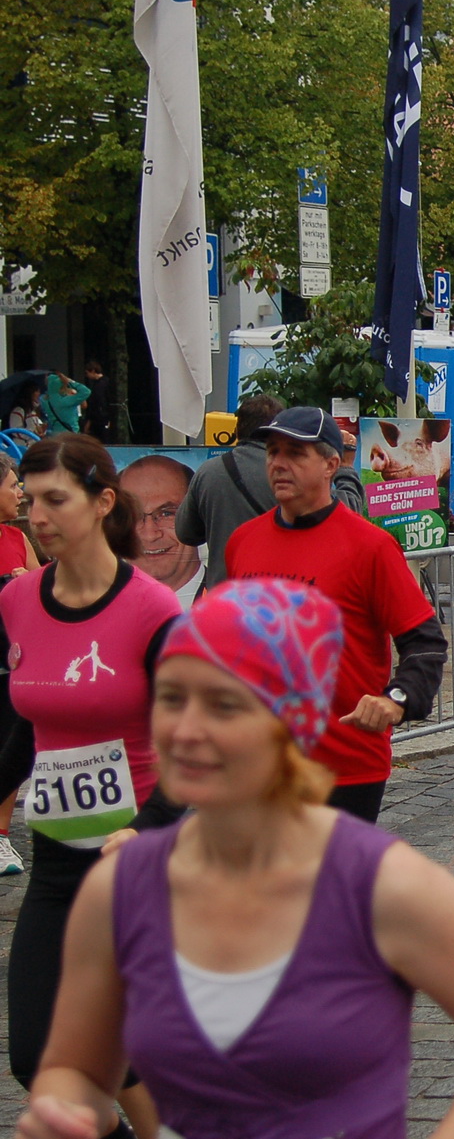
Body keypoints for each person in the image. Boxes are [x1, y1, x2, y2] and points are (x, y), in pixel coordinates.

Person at [16, 578, 454, 1139]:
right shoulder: (120, 888)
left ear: (288, 723)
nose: (186, 730)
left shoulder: (385, 885)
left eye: (224, 704)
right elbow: (75, 1068)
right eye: (170, 697)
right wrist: (62, 1108)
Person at [0, 434, 184, 1136]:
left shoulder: (152, 612)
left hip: (137, 857)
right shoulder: (18, 600)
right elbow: (29, 726)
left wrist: (144, 825)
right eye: (28, 501)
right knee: (34, 1053)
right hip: (55, 854)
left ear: (104, 502)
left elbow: (191, 744)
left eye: (55, 500)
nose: (36, 516)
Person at [225, 407, 448, 823]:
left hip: (343, 766)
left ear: (331, 465)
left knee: (328, 888)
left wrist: (396, 700)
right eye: (273, 451)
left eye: (295, 453)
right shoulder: (243, 542)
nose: (278, 463)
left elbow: (425, 644)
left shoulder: (370, 547)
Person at [177, 395, 365, 591]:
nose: (278, 467)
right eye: (274, 454)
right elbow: (348, 512)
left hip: (229, 602)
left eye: (295, 454)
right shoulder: (294, 479)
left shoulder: (208, 473)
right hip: (287, 601)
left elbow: (186, 532)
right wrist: (345, 468)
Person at [0, 454, 38, 878]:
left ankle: (1, 834)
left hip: (11, 663)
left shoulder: (17, 538)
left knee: (10, 749)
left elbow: (41, 586)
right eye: (12, 485)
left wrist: (23, 584)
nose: (20, 493)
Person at [118, 456, 203, 611]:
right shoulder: (93, 609)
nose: (150, 534)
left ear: (197, 517)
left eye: (167, 514)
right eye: (134, 516)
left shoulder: (236, 606)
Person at [79, 361, 111, 444]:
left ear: (93, 371)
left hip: (100, 418)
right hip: (99, 418)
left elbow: (98, 403)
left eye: (87, 373)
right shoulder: (101, 383)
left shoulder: (101, 384)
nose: (87, 376)